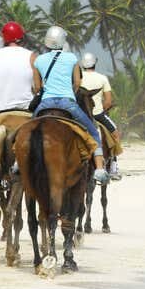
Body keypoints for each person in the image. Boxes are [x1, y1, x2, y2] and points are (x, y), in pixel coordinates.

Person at [32, 26, 108, 184]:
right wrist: (70, 93)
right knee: (93, 132)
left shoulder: (39, 60)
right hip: (67, 103)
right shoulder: (72, 58)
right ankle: (100, 169)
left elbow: (37, 87)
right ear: (62, 41)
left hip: (45, 103)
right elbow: (77, 83)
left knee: (28, 130)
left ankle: (17, 162)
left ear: (47, 41)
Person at [80, 52, 121, 180]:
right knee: (115, 134)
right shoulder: (102, 78)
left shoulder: (78, 77)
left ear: (82, 64)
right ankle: (113, 167)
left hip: (80, 114)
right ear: (95, 63)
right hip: (97, 115)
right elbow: (108, 102)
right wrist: (101, 108)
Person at [0, 22, 36, 118]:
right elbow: (37, 87)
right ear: (22, 38)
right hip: (26, 107)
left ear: (4, 38)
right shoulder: (31, 56)